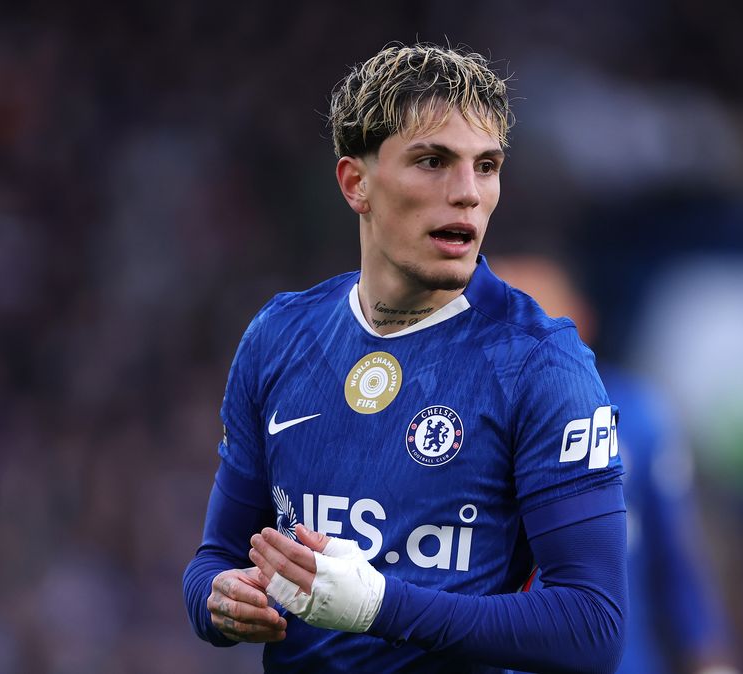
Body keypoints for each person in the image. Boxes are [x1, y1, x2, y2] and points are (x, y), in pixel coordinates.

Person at [182, 43, 627, 673]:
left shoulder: (542, 364)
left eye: (486, 165)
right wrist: (219, 601)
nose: (467, 193)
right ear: (355, 183)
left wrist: (378, 606)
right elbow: (215, 558)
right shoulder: (279, 336)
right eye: (433, 161)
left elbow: (592, 626)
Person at [490, 256, 739, 674]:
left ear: (581, 320)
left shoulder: (639, 415)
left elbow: (674, 557)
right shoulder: (461, 422)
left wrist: (709, 658)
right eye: (506, 317)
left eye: (538, 313)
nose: (521, 335)